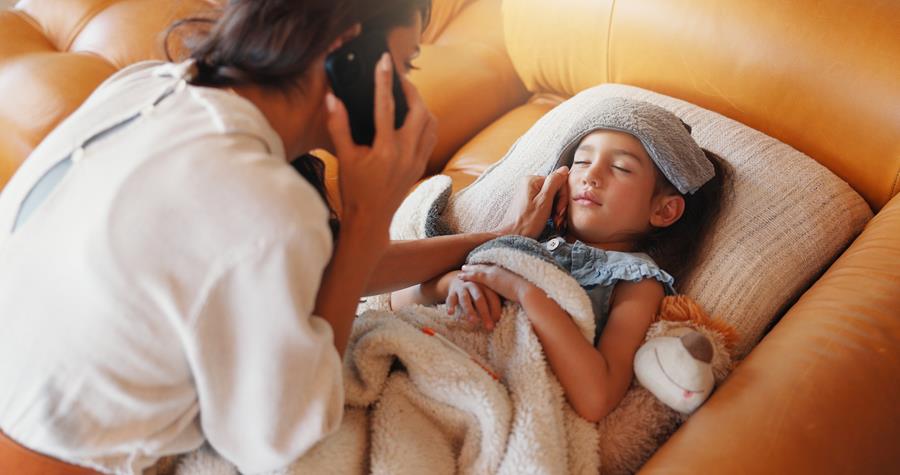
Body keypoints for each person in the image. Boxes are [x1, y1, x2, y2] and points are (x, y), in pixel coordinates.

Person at [0, 1, 565, 474]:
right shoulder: (265, 201)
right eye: (406, 63)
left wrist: (495, 237)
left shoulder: (149, 87)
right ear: (350, 53)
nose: (410, 94)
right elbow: (283, 436)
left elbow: (326, 268)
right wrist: (372, 215)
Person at [391, 97, 729, 423]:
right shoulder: (527, 237)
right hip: (422, 367)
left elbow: (597, 397)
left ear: (664, 210)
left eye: (621, 168)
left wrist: (526, 294)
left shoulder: (635, 281)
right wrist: (454, 283)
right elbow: (398, 299)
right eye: (581, 162)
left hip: (495, 402)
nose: (590, 175)